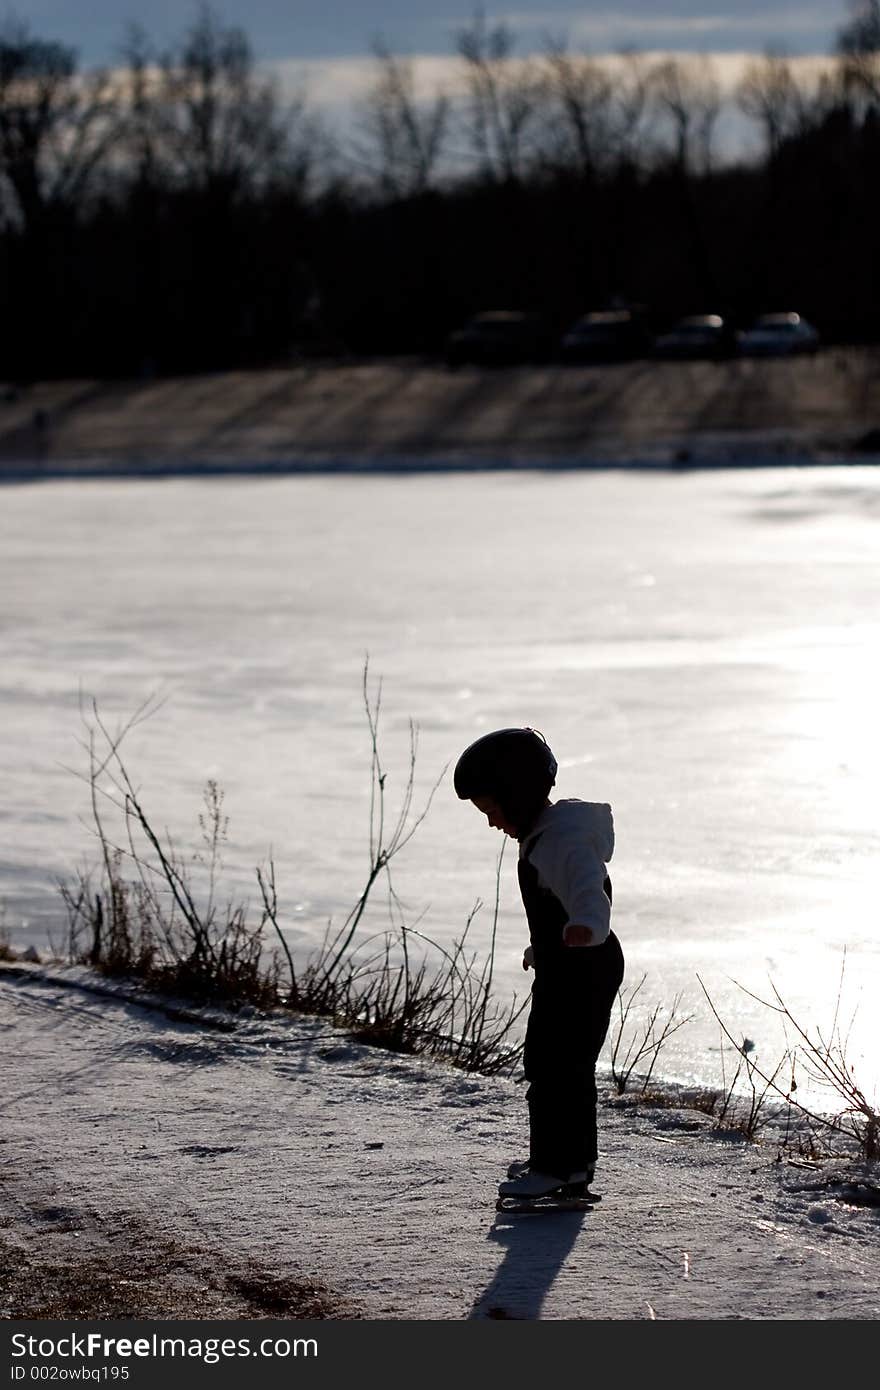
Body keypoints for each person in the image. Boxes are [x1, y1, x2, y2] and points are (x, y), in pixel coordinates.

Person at [454, 727, 624, 1200]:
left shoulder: (559, 842)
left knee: (554, 1066)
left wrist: (585, 927)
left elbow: (587, 889)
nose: (491, 823)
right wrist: (546, 946)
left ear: (519, 794)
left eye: (491, 810)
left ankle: (555, 1167)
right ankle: (571, 1164)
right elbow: (557, 904)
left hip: (582, 965)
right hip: (573, 961)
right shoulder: (547, 837)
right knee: (564, 1066)